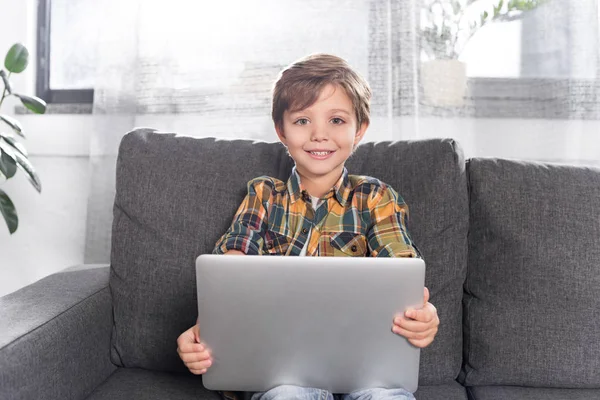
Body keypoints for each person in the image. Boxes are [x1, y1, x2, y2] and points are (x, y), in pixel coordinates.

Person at [177, 53, 440, 400]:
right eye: (302, 120)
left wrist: (424, 314)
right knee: (288, 395)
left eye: (336, 120)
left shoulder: (376, 198)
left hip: (367, 373)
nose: (319, 135)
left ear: (359, 129)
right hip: (279, 373)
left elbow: (403, 273)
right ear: (281, 131)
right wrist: (204, 329)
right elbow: (230, 268)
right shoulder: (264, 195)